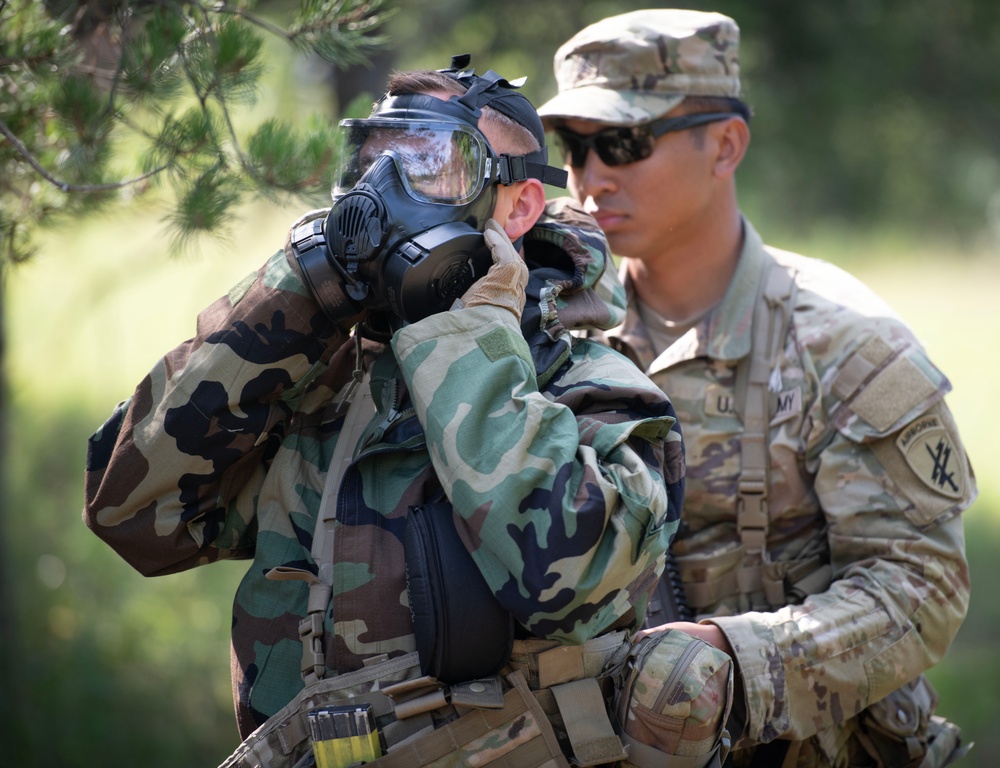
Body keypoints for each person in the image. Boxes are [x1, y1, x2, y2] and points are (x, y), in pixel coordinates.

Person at [83, 57, 686, 767]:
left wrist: (467, 347)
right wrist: (294, 296)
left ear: (519, 208)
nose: (383, 192)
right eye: (373, 160)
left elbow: (571, 584)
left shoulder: (596, 393)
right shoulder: (328, 384)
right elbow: (134, 515)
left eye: (430, 162)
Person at [538, 9, 975, 768]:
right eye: (572, 147)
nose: (589, 175)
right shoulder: (556, 334)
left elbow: (923, 588)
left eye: (623, 142)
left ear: (727, 145)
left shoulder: (843, 344)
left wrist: (737, 663)